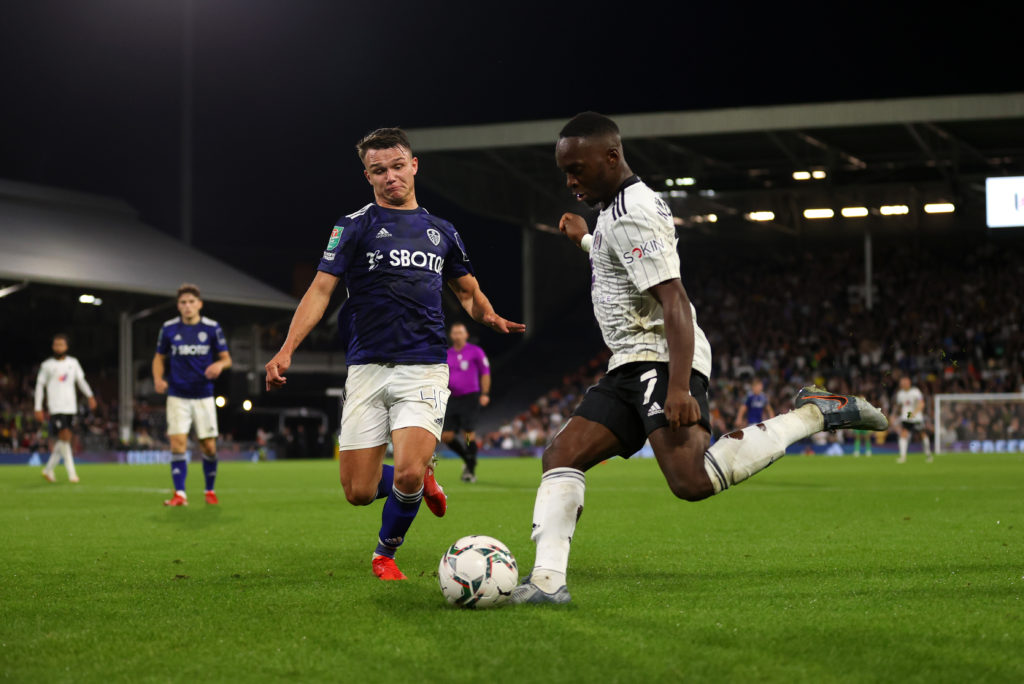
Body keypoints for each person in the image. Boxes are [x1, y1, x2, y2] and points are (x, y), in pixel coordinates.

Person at [510, 112, 888, 604]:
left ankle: (815, 414)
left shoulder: (633, 212)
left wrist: (679, 386)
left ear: (611, 157)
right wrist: (586, 239)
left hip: (658, 359)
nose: (570, 181)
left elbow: (675, 300)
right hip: (628, 359)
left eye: (577, 169)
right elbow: (624, 267)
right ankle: (547, 584)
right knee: (561, 455)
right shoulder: (613, 212)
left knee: (690, 480)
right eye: (565, 171)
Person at [264, 127, 524, 581]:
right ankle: (422, 481)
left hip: (424, 368)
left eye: (398, 166)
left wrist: (490, 317)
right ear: (367, 175)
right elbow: (320, 290)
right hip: (366, 369)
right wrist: (287, 348)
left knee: (403, 472)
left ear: (414, 165)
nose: (391, 177)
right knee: (358, 491)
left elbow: (468, 291)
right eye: (379, 170)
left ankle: (385, 552)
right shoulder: (353, 225)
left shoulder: (442, 231)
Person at [152, 283, 232, 506]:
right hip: (177, 394)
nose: (187, 306)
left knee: (208, 446)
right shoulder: (168, 329)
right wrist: (158, 379)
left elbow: (227, 359)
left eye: (191, 302)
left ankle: (209, 490)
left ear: (199, 304)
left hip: (204, 395)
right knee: (177, 442)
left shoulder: (212, 328)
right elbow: (159, 357)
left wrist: (219, 365)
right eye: (183, 302)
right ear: (178, 306)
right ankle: (180, 494)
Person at [34, 334, 97, 483]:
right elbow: (39, 387)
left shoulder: (73, 363)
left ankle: (48, 469)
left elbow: (81, 381)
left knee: (65, 439)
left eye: (61, 344)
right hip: (56, 407)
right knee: (65, 436)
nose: (58, 347)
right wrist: (38, 407)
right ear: (52, 347)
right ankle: (72, 474)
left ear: (66, 347)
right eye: (56, 345)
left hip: (70, 407)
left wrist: (90, 395)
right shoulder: (47, 365)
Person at [441, 321, 491, 482]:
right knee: (446, 436)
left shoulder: (475, 351)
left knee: (468, 435)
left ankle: (469, 470)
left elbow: (485, 372)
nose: (457, 335)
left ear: (466, 335)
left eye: (460, 332)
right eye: (454, 332)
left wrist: (485, 393)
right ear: (451, 335)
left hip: (470, 398)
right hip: (452, 399)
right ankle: (468, 458)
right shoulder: (447, 354)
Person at [892, 376, 932, 463]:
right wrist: (895, 415)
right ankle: (903, 457)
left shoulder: (915, 392)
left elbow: (921, 404)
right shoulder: (900, 394)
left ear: (908, 383)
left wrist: (914, 413)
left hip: (916, 418)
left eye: (903, 383)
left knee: (922, 434)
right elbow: (899, 406)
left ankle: (928, 454)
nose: (902, 384)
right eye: (901, 383)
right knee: (903, 434)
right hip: (906, 417)